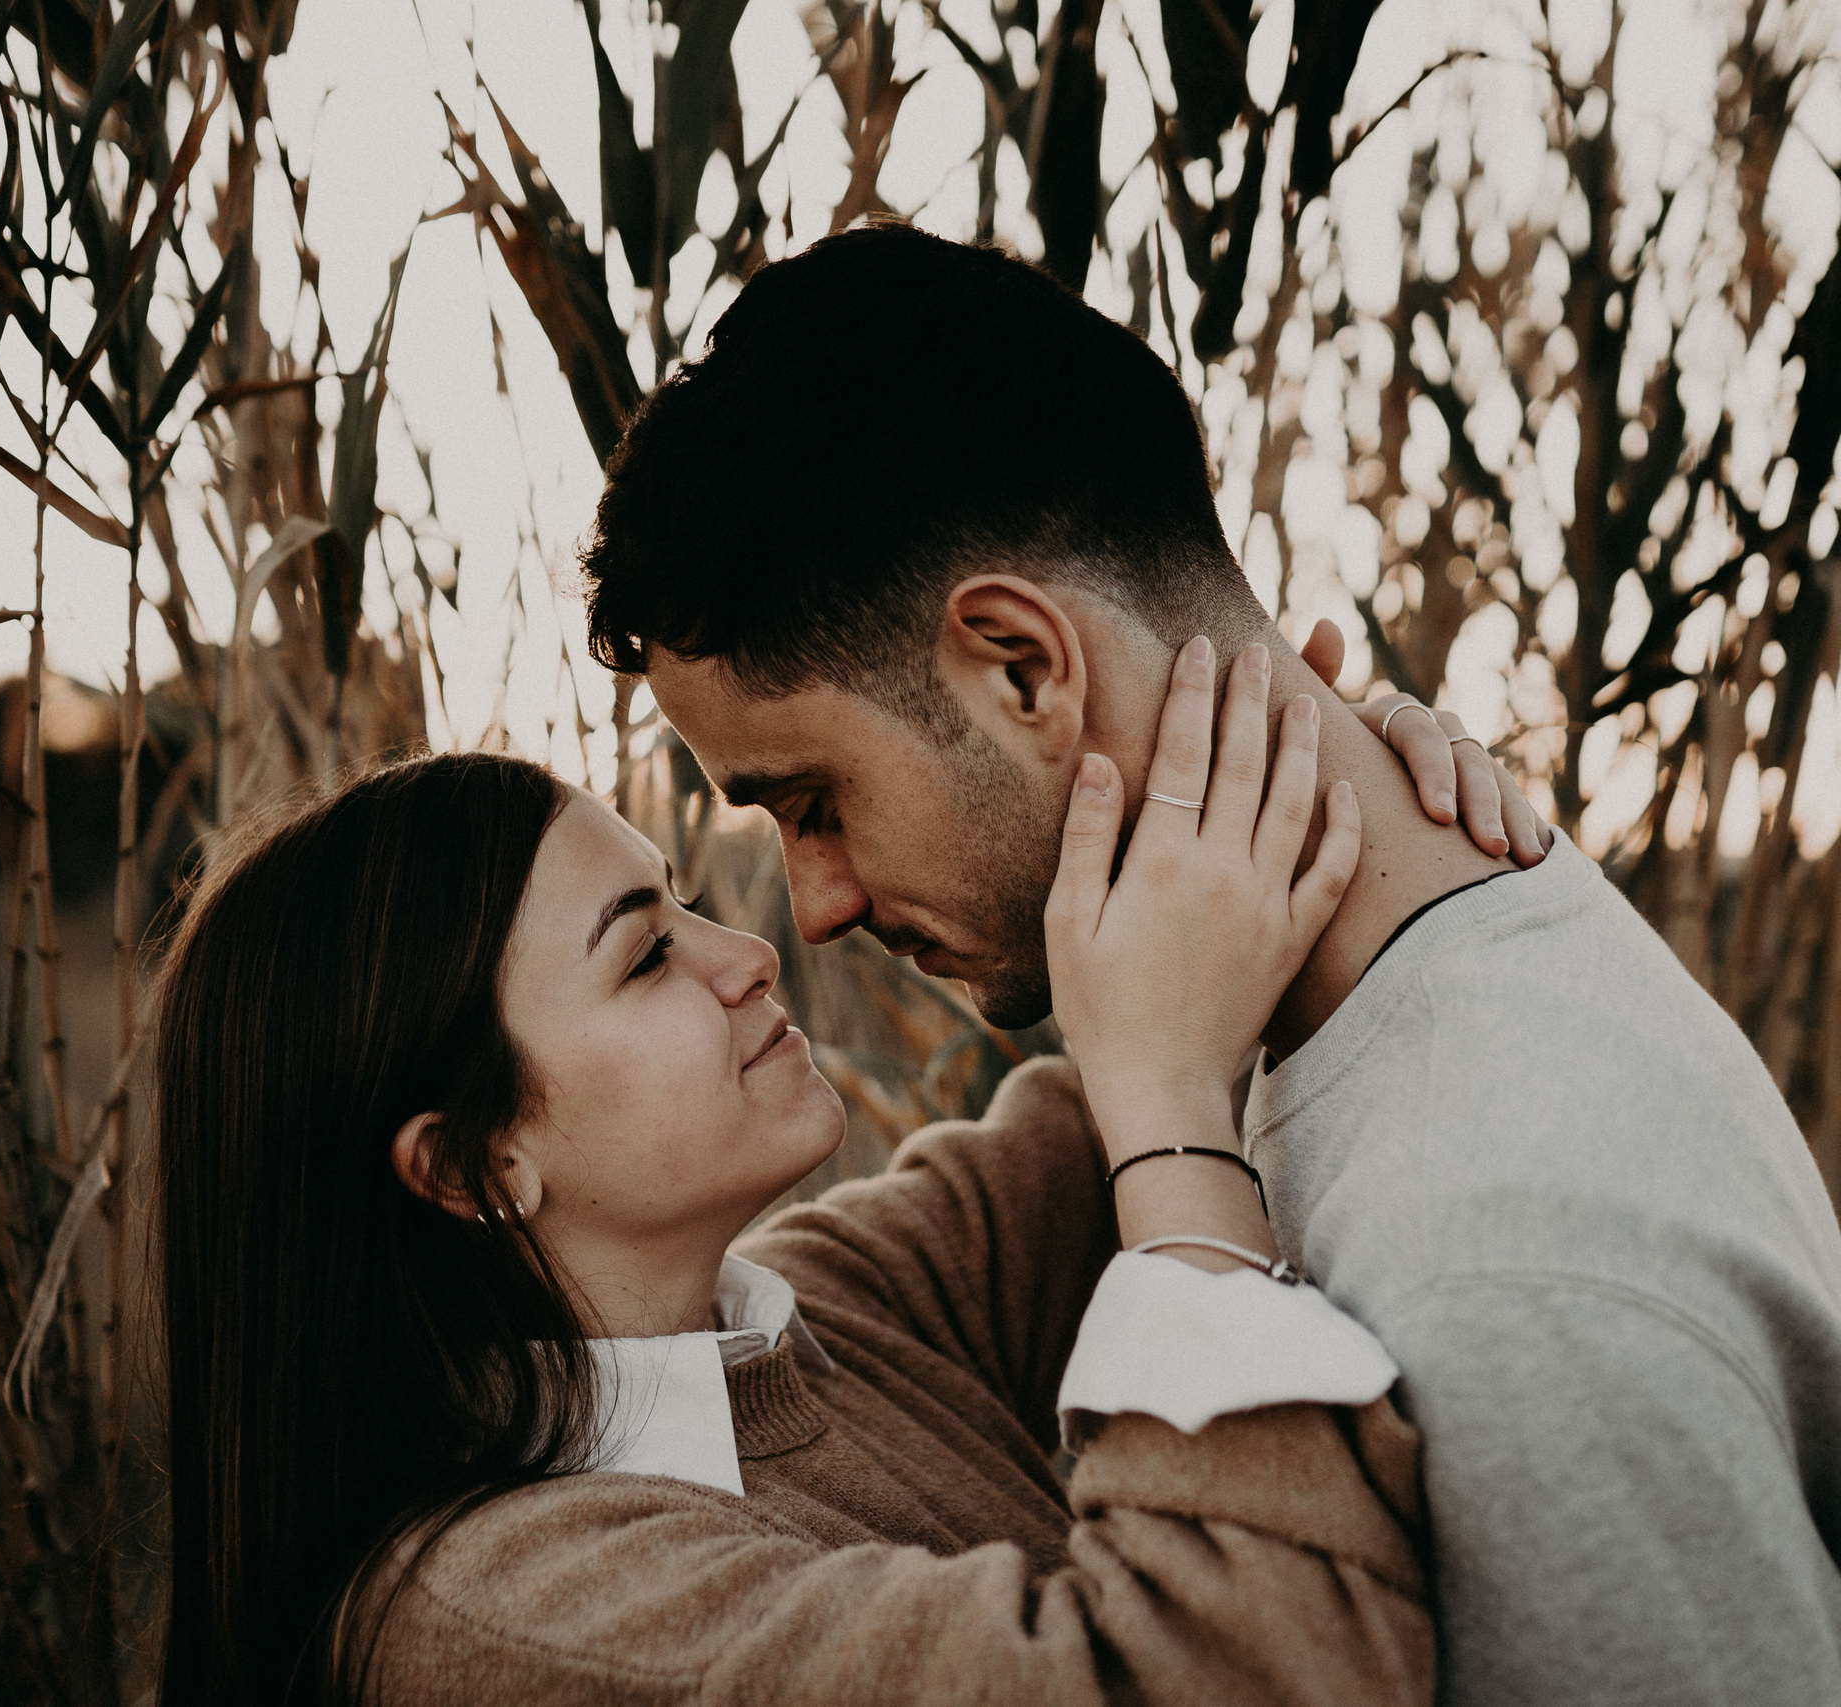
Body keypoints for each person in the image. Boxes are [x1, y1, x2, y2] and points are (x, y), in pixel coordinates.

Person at [581, 220, 1841, 1706]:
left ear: (1024, 668)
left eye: (814, 803)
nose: (818, 908)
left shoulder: (1513, 1284)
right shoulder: (1326, 1014)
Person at [149, 639, 1476, 1705]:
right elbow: (1253, 1674)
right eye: (646, 957)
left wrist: (1349, 786)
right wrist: (1173, 1112)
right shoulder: (521, 1620)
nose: (750, 953)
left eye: (681, 902)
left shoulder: (818, 1313)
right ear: (475, 1166)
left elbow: (1166, 1027)